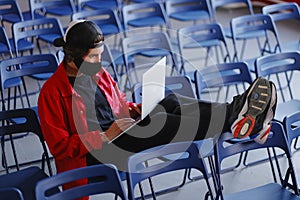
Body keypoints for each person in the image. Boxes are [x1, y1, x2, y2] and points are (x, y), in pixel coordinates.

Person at [38, 20, 277, 198]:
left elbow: (117, 103)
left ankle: (236, 113)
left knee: (170, 101)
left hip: (119, 133)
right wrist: (105, 135)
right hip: (93, 156)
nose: (99, 63)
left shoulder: (97, 73)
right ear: (72, 57)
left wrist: (134, 110)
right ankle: (239, 119)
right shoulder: (51, 92)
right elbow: (60, 148)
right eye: (93, 57)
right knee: (160, 120)